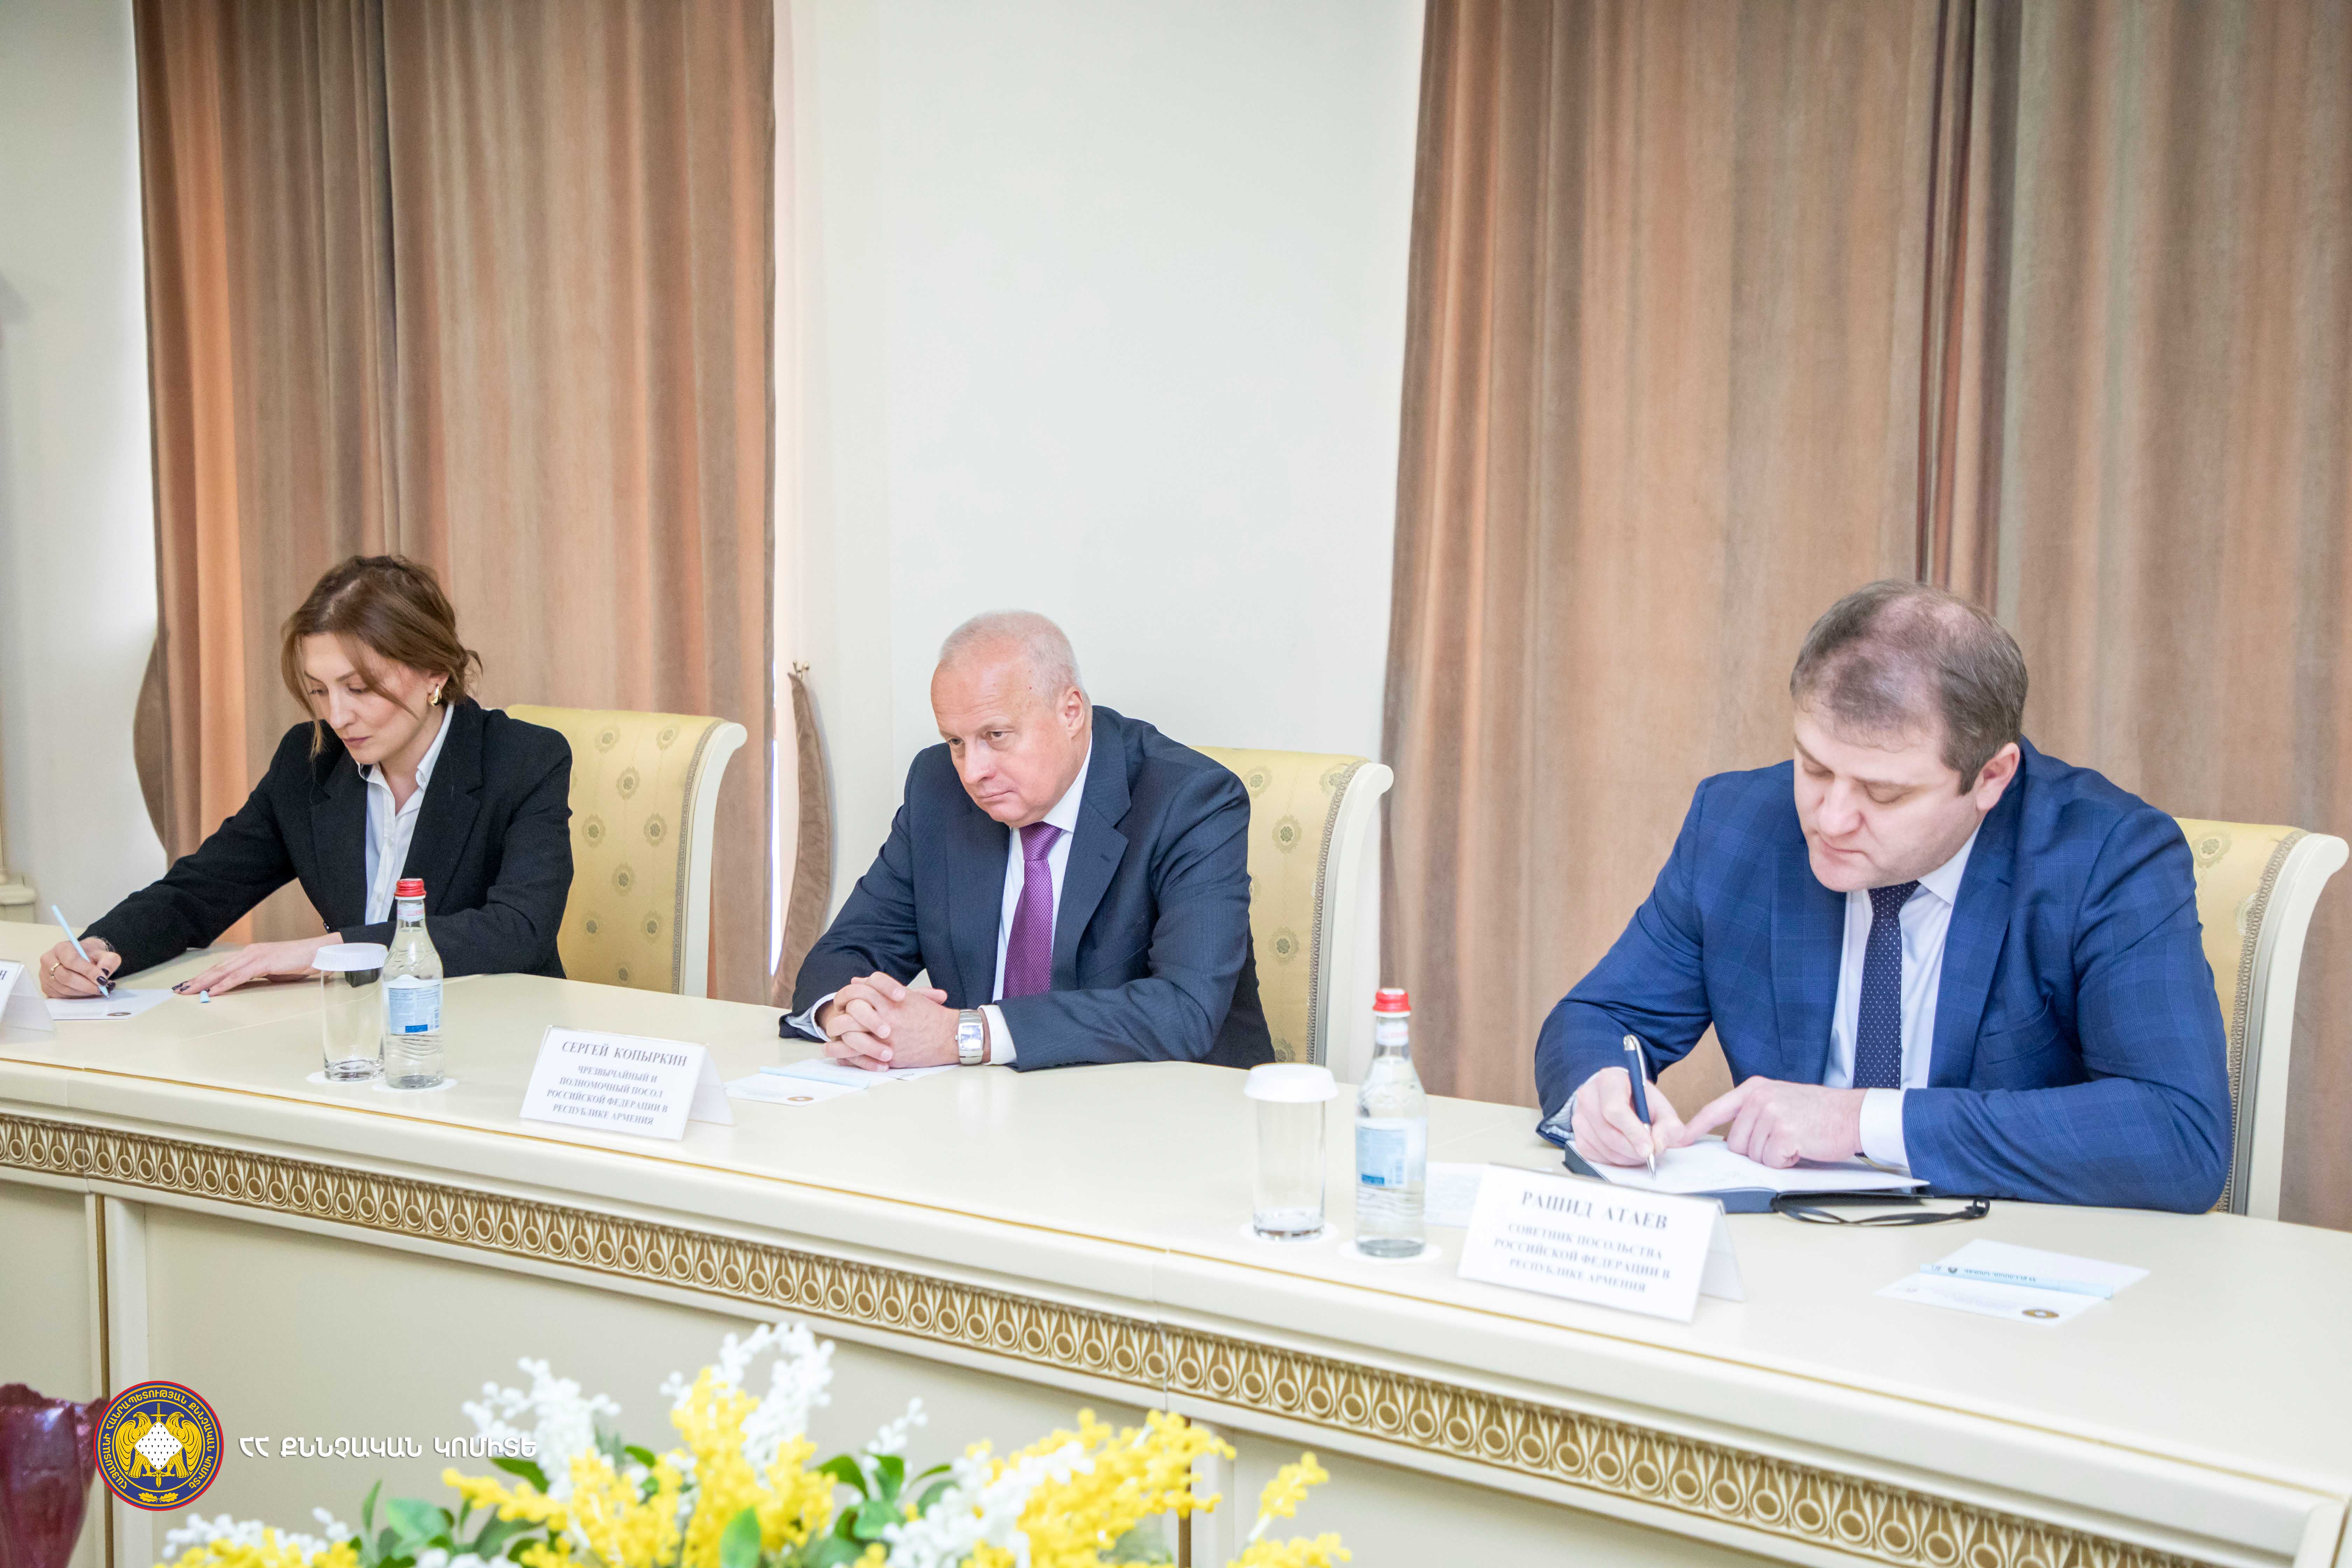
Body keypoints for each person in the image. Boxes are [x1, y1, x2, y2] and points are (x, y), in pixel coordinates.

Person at [1536, 581, 2231, 1212]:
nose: (1831, 819)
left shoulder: (2107, 856)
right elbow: (1601, 1015)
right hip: (1790, 1259)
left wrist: (1861, 1120)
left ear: (1992, 777)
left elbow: (2178, 1135)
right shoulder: (1738, 826)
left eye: (1884, 792)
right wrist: (1601, 1089)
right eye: (1815, 768)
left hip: (2005, 1263)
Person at [41, 555, 573, 999]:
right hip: (358, 1035)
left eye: (358, 689)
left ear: (435, 672)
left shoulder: (524, 759)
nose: (337, 717)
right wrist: (103, 947)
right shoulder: (309, 760)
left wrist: (325, 952)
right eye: (319, 690)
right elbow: (202, 890)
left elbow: (518, 929)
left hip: (494, 1029)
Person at [786, 610, 1273, 1071]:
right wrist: (851, 1017)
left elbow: (1184, 1010)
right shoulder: (938, 789)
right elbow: (845, 954)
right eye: (955, 742)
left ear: (1070, 712)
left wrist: (965, 1035)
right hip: (984, 1110)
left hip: (1163, 1110)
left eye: (996, 735)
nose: (972, 772)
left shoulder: (1189, 800)